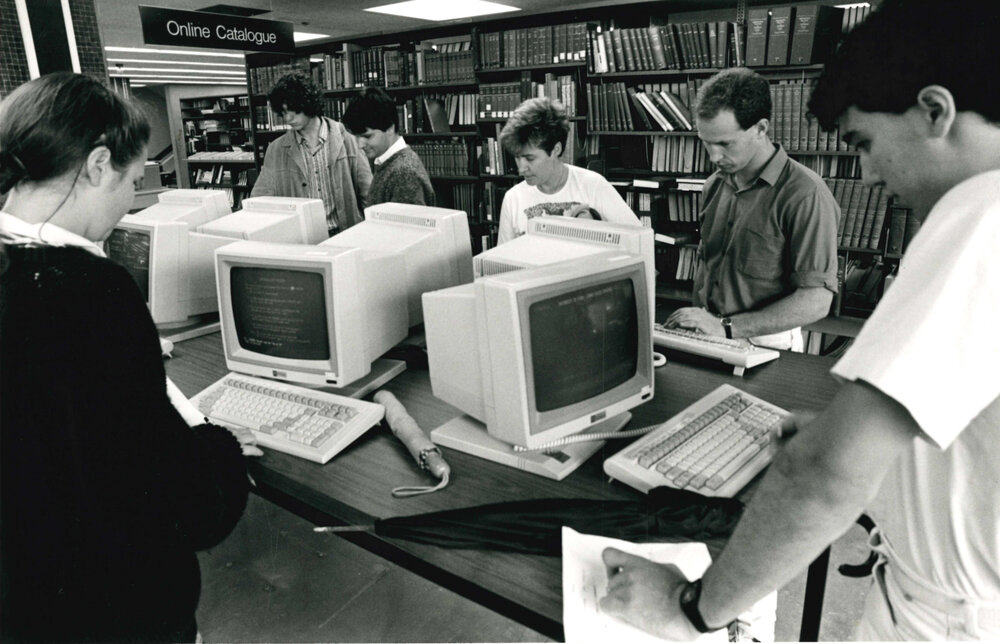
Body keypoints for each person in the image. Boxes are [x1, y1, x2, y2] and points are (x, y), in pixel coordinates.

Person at [599, 0, 1000, 640]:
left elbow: (823, 474)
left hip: (948, 617)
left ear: (934, 111)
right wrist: (846, 431)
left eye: (866, 144)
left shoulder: (980, 216)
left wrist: (693, 608)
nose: (866, 173)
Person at [0, 72, 258, 642]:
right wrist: (219, 444)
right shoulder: (90, 289)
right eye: (133, 180)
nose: (127, 204)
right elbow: (187, 507)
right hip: (111, 609)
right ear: (96, 166)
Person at [664, 68, 839, 351]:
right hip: (709, 335)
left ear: (760, 129)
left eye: (725, 144)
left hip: (767, 345)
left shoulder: (806, 194)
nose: (713, 157)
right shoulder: (713, 186)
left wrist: (725, 328)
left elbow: (817, 301)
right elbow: (706, 268)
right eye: (706, 142)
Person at [497, 97, 640, 243]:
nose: (521, 169)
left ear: (556, 149)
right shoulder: (513, 199)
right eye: (517, 157)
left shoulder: (593, 185)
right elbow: (500, 261)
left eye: (530, 158)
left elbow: (638, 240)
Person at [251, 72, 372, 234]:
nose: (288, 117)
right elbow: (259, 200)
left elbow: (368, 192)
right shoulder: (276, 149)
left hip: (345, 233)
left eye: (293, 110)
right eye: (283, 112)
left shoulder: (347, 139)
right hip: (301, 237)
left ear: (308, 104)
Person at [341, 86, 435, 207]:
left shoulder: (405, 175)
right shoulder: (387, 162)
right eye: (357, 137)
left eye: (367, 136)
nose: (359, 145)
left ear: (390, 128)